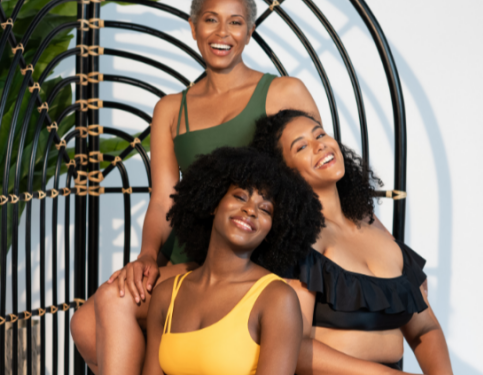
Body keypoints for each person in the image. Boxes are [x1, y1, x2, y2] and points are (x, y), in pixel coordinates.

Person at [70, 0, 321, 373]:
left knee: (110, 304)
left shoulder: (284, 91)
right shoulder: (170, 109)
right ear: (192, 27)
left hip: (248, 247)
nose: (222, 33)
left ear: (249, 32)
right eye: (210, 20)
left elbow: (320, 177)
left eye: (235, 22)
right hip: (190, 254)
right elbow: (163, 199)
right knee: (84, 324)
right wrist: (148, 257)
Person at [251, 110, 454, 375]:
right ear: (285, 173)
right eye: (301, 146)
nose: (319, 145)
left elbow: (425, 328)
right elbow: (291, 348)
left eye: (320, 134)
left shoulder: (376, 231)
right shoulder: (300, 241)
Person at [141, 147, 324, 375]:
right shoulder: (166, 295)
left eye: (265, 209)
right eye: (240, 196)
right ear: (214, 203)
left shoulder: (276, 299)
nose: (250, 210)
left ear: (273, 230)